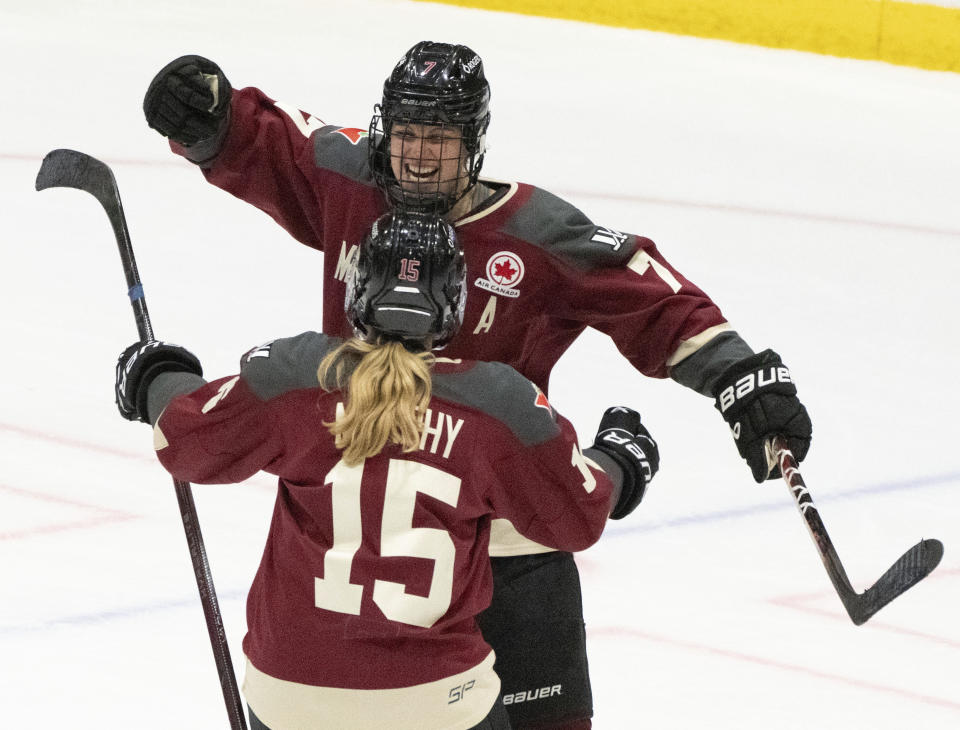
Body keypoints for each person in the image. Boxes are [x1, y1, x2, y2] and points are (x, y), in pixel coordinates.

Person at [141, 43, 812, 729]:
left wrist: (736, 375)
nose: (421, 156)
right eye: (407, 135)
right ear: (383, 131)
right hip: (379, 543)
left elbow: (653, 299)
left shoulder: (537, 235)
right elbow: (274, 141)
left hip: (510, 553)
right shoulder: (349, 178)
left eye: (441, 139)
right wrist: (212, 120)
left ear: (475, 142)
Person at [113, 211, 660, 730]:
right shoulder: (499, 405)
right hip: (433, 704)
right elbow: (577, 516)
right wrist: (619, 459)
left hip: (291, 698)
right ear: (453, 301)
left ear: (358, 289)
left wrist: (158, 377)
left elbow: (185, 440)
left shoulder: (298, 375)